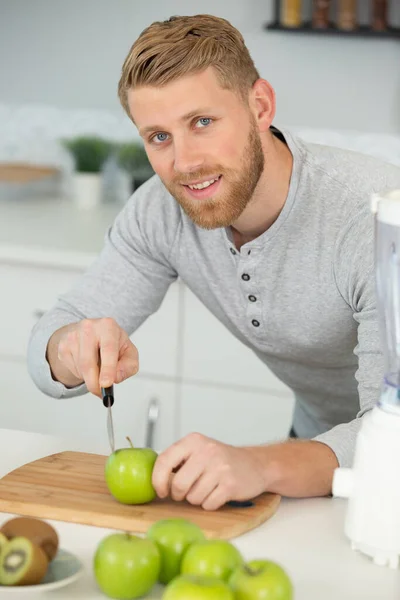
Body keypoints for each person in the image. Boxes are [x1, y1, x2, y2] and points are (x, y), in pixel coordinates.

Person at [28, 14, 400, 511]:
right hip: (315, 452)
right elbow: (49, 342)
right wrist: (70, 349)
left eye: (202, 122)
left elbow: (392, 429)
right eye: (158, 136)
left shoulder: (375, 218)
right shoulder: (161, 213)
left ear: (260, 106)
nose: (183, 163)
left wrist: (260, 464)